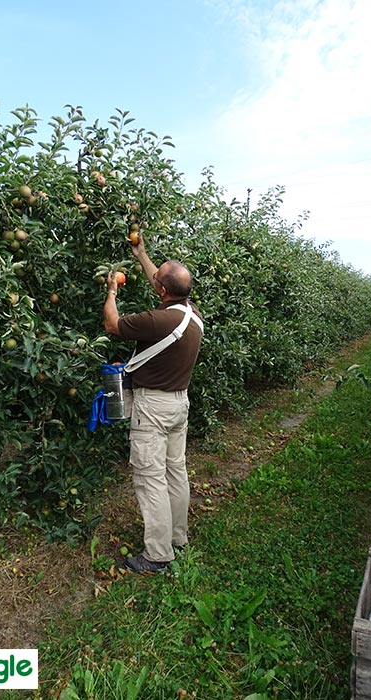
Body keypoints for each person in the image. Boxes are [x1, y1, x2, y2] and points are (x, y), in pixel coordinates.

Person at [103, 236, 203, 573]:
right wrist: (141, 254)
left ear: (162, 291)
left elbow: (112, 324)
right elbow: (161, 283)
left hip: (154, 409)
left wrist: (112, 290)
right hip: (179, 405)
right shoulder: (190, 314)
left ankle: (157, 555)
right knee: (176, 471)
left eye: (157, 278)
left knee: (151, 478)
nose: (154, 280)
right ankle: (177, 537)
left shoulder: (157, 322)